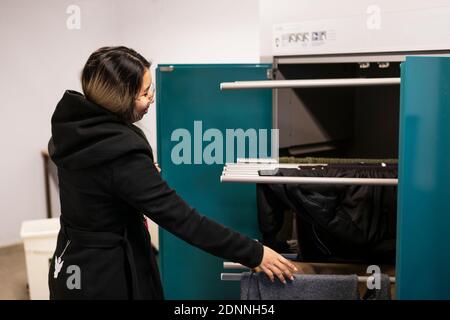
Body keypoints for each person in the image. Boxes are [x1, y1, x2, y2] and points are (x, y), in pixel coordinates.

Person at [48, 46, 296, 299]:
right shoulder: (122, 154)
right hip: (107, 277)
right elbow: (184, 220)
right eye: (145, 93)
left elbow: (96, 186)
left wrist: (133, 180)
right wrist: (254, 253)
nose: (152, 98)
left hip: (71, 263)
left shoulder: (75, 130)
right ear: (119, 99)